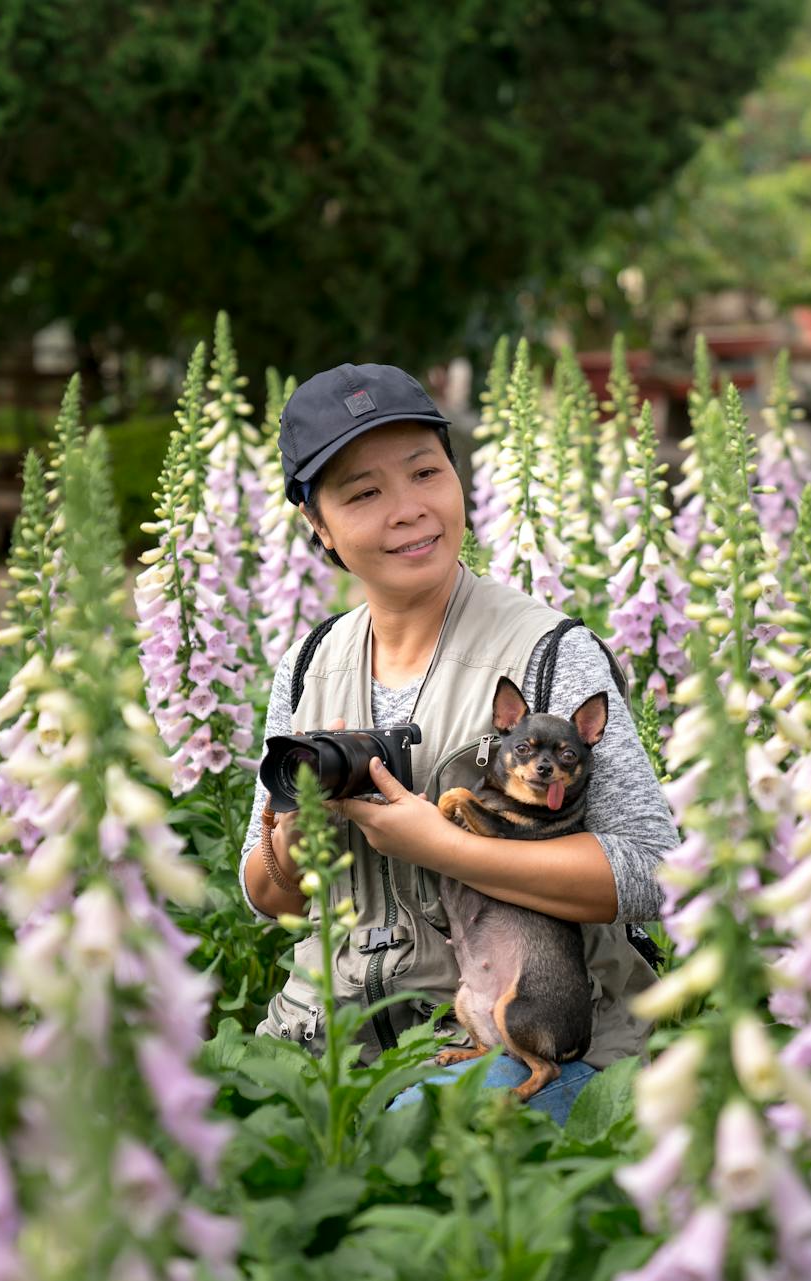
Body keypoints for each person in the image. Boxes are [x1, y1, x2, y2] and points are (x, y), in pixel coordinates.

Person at [238, 361, 680, 1123]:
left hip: (517, 1043)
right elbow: (264, 896)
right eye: (364, 492)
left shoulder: (547, 652)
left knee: (413, 1134)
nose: (409, 509)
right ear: (320, 527)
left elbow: (654, 872)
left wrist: (442, 845)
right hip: (328, 1042)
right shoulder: (308, 664)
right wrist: (290, 845)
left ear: (458, 480)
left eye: (425, 472)